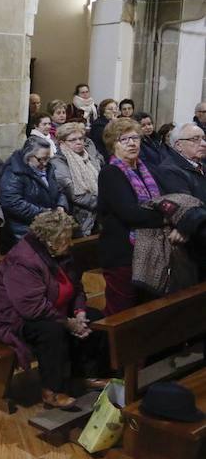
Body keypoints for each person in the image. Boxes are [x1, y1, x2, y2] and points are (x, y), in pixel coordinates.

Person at [0, 211, 109, 408]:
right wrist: (68, 323)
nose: (70, 243)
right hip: (12, 318)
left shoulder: (62, 253)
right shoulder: (24, 260)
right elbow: (31, 308)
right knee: (51, 331)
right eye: (65, 239)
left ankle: (85, 374)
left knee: (95, 318)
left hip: (52, 309)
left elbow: (77, 287)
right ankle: (52, 390)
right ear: (49, 241)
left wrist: (79, 313)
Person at [97, 117, 168, 314]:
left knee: (148, 310)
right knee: (122, 313)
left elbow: (164, 201)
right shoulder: (110, 173)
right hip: (122, 254)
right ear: (113, 144)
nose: (132, 143)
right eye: (124, 139)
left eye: (135, 138)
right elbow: (130, 212)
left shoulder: (147, 170)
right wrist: (164, 218)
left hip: (150, 252)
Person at [0, 137, 68, 242]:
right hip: (25, 230)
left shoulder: (48, 168)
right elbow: (12, 202)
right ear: (28, 156)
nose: (45, 163)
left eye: (47, 158)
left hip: (49, 226)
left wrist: (61, 205)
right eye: (41, 159)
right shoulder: (14, 172)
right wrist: (44, 213)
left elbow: (59, 190)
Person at [51, 123, 102, 236]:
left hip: (98, 215)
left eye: (80, 138)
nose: (79, 142)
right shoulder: (58, 162)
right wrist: (103, 202)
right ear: (62, 143)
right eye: (73, 140)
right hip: (78, 217)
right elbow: (76, 195)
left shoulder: (89, 157)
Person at [159, 122, 206, 204]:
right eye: (195, 139)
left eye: (204, 138)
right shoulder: (169, 171)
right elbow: (188, 209)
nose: (204, 144)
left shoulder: (201, 165)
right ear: (178, 145)